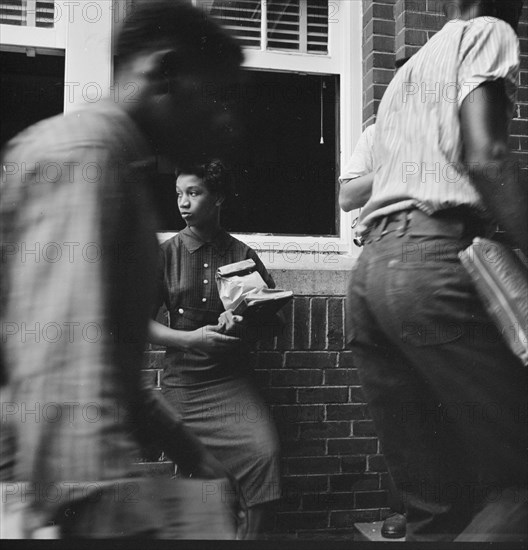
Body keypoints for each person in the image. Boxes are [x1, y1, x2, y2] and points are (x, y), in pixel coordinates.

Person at [0, 0, 245, 538]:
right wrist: (110, 520)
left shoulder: (116, 168)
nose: (225, 122)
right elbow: (61, 370)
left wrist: (189, 451)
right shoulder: (85, 161)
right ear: (163, 72)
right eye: (217, 97)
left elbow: (102, 362)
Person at [345, 0, 527, 542]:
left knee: (434, 505)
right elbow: (489, 156)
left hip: (372, 275)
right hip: (432, 264)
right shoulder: (488, 32)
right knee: (519, 485)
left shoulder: (408, 70)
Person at [148, 160, 282, 539]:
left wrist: (242, 321)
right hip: (183, 386)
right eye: (179, 194)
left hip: (231, 383)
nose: (183, 203)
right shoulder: (166, 254)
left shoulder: (241, 254)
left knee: (264, 453)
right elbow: (138, 325)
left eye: (194, 192)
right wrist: (191, 339)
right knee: (201, 478)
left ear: (219, 196)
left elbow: (272, 326)